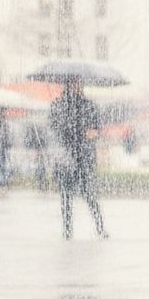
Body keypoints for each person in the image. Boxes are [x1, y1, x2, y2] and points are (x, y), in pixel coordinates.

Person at [49, 79, 107, 240]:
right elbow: (55, 128)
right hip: (66, 157)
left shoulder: (88, 104)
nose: (76, 87)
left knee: (90, 193)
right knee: (66, 196)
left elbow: (97, 127)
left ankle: (100, 227)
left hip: (85, 156)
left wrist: (94, 132)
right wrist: (74, 130)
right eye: (73, 83)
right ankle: (67, 229)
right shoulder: (59, 105)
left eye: (78, 84)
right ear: (67, 85)